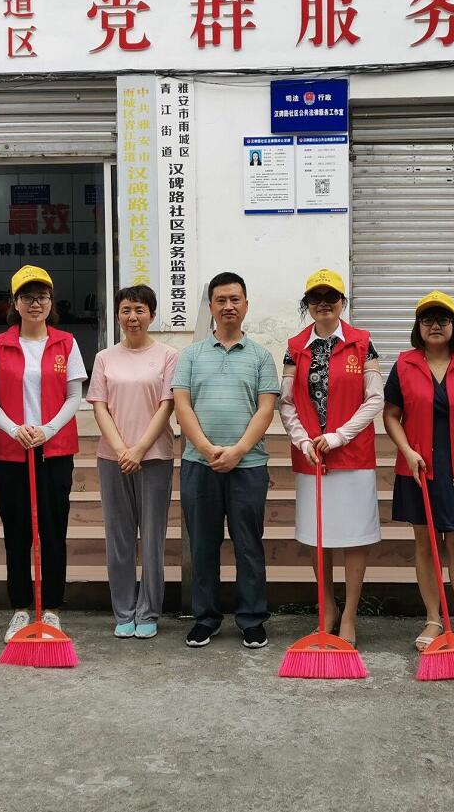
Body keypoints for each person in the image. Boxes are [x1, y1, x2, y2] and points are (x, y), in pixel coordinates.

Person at [383, 291, 454, 653]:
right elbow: (390, 415)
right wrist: (407, 450)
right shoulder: (404, 365)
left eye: (443, 319)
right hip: (419, 469)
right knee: (426, 543)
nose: (435, 325)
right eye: (427, 319)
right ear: (418, 326)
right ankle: (433, 618)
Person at [172, 272, 279, 649]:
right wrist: (206, 449)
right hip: (199, 465)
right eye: (221, 300)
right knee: (203, 544)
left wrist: (237, 451)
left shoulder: (261, 356)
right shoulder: (191, 355)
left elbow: (265, 410)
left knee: (248, 544)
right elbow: (182, 405)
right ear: (212, 306)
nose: (228, 306)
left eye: (235, 299)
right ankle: (206, 618)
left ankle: (252, 619)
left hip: (248, 466)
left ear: (246, 305)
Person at [0, 265, 87, 642]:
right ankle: (21, 608)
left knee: (54, 531)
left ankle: (52, 608)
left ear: (51, 301)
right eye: (27, 297)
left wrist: (48, 430)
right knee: (17, 533)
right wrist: (15, 430)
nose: (35, 303)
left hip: (54, 452)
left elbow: (75, 396)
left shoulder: (66, 343)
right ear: (15, 303)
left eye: (42, 296)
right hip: (11, 454)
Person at [277, 269, 382, 647]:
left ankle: (350, 614)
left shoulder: (362, 343)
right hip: (312, 457)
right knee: (317, 538)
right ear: (307, 304)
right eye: (315, 298)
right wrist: (303, 440)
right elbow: (286, 403)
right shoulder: (294, 347)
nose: (323, 304)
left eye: (331, 297)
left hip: (352, 455)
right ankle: (328, 609)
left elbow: (375, 399)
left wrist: (339, 436)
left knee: (354, 538)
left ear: (342, 302)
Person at [88, 284, 178, 639]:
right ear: (118, 315)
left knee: (153, 538)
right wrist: (121, 449)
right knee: (119, 538)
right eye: (126, 310)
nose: (133, 316)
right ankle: (124, 610)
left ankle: (149, 610)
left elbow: (167, 405)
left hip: (154, 456)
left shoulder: (168, 355)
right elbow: (99, 406)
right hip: (112, 458)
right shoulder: (105, 357)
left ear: (152, 315)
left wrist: (139, 449)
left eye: (140, 309)